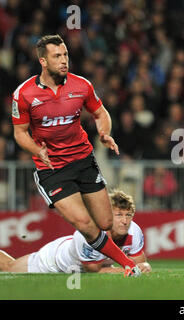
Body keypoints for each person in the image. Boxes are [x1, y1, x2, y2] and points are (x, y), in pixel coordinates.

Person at [11, 35, 140, 277]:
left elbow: (101, 113)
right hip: (52, 169)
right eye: (57, 56)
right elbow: (19, 133)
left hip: (83, 160)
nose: (63, 61)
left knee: (104, 223)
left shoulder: (82, 85)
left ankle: (84, 249)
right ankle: (127, 264)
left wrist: (104, 132)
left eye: (65, 55)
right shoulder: (24, 94)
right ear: (43, 61)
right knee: (84, 223)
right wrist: (37, 150)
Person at [0, 189, 151, 274]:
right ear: (106, 215)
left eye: (128, 215)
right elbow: (94, 271)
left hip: (75, 260)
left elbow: (140, 264)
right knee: (9, 268)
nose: (125, 221)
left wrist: (145, 267)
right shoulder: (90, 235)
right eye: (119, 215)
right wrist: (127, 269)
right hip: (54, 261)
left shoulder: (134, 230)